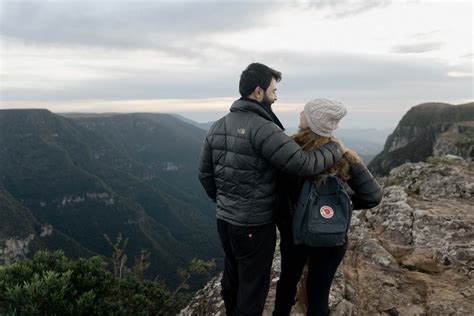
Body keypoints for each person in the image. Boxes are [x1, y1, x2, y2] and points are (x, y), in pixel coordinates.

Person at [198, 64, 346, 316]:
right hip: (254, 225)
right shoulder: (264, 128)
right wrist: (334, 149)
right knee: (253, 287)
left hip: (224, 220)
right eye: (273, 90)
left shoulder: (217, 125)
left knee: (232, 277)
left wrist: (224, 201)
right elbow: (302, 164)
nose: (276, 97)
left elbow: (204, 175)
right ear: (258, 92)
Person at [273, 98, 383, 316]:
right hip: (332, 237)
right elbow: (373, 196)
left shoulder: (291, 151)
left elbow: (275, 190)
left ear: (313, 121)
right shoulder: (345, 155)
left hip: (295, 235)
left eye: (304, 112)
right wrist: (337, 207)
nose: (300, 114)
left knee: (287, 284)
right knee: (319, 294)